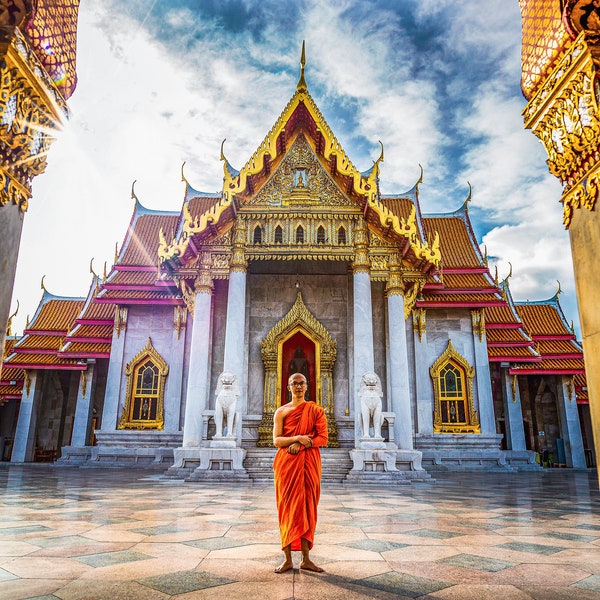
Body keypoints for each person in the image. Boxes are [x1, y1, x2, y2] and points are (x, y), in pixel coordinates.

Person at [272, 372, 328, 573]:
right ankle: (287, 559)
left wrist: (303, 445)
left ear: (307, 386)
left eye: (301, 383)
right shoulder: (281, 412)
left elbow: (323, 438)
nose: (298, 387)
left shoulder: (316, 410)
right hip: (287, 465)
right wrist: (297, 438)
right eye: (294, 384)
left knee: (308, 508)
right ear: (288, 387)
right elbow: (277, 440)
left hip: (309, 463)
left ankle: (306, 559)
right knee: (286, 508)